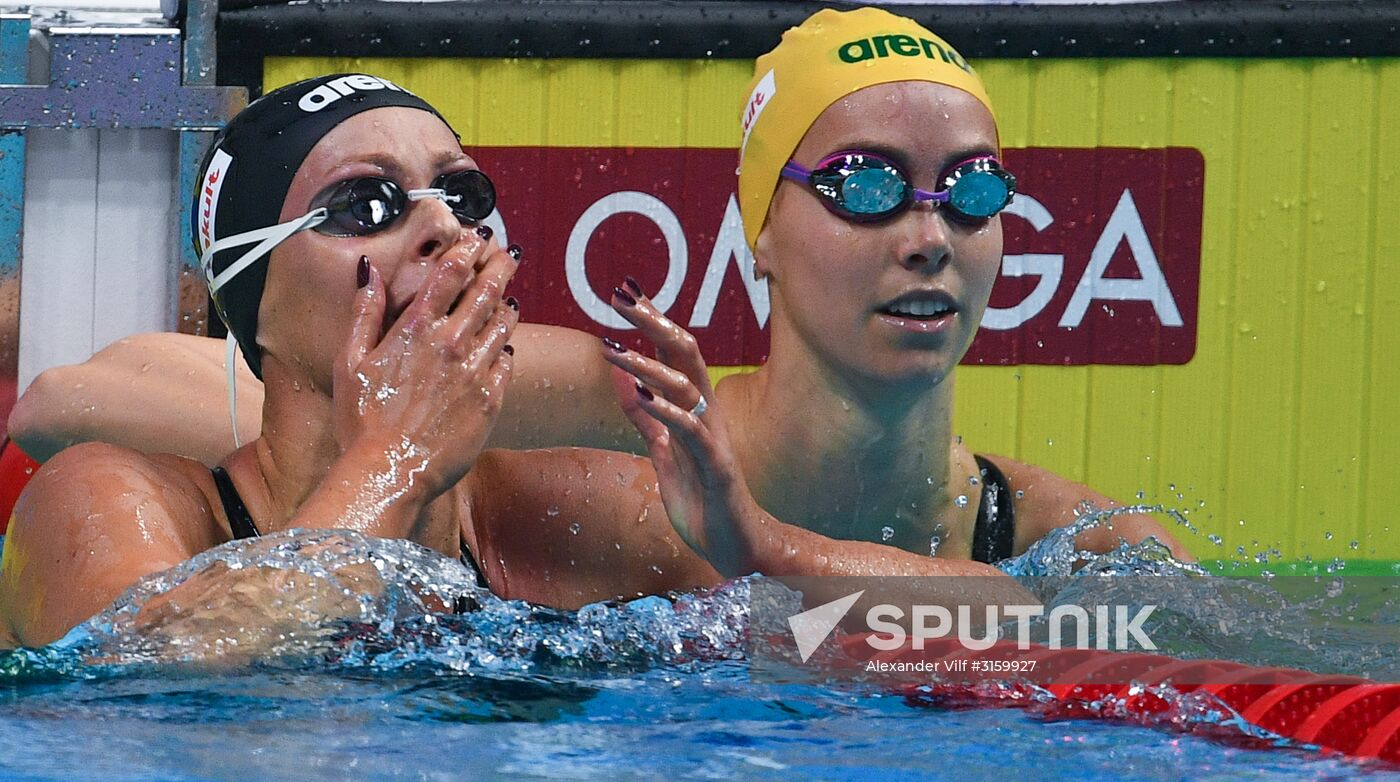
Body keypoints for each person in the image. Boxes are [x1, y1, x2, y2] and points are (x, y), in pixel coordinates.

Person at [2, 9, 1188, 647]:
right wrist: (393, 457)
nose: (439, 230)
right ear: (250, 297)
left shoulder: (554, 508)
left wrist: (758, 543)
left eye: (463, 194)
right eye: (365, 205)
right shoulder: (119, 499)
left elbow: (966, 619)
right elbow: (151, 672)